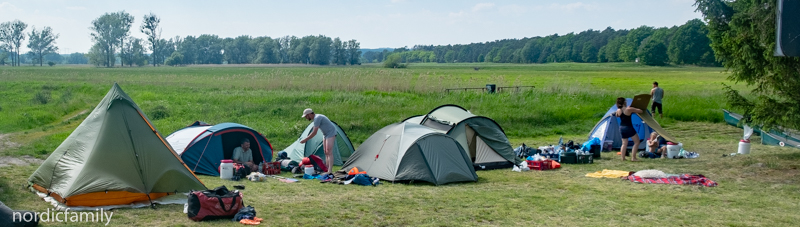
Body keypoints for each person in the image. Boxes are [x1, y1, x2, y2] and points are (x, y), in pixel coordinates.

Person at [300, 108, 337, 173]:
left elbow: (314, 132)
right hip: (325, 134)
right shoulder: (315, 119)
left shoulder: (317, 118)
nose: (306, 118)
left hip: (331, 133)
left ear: (309, 114)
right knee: (325, 152)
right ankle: (327, 168)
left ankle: (330, 170)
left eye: (306, 116)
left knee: (329, 151)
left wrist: (305, 139)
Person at [615, 97, 643, 162]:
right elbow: (640, 111)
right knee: (637, 142)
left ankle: (623, 158)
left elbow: (617, 115)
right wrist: (633, 108)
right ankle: (633, 158)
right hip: (628, 127)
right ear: (624, 102)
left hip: (621, 128)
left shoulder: (618, 110)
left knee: (624, 143)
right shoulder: (629, 109)